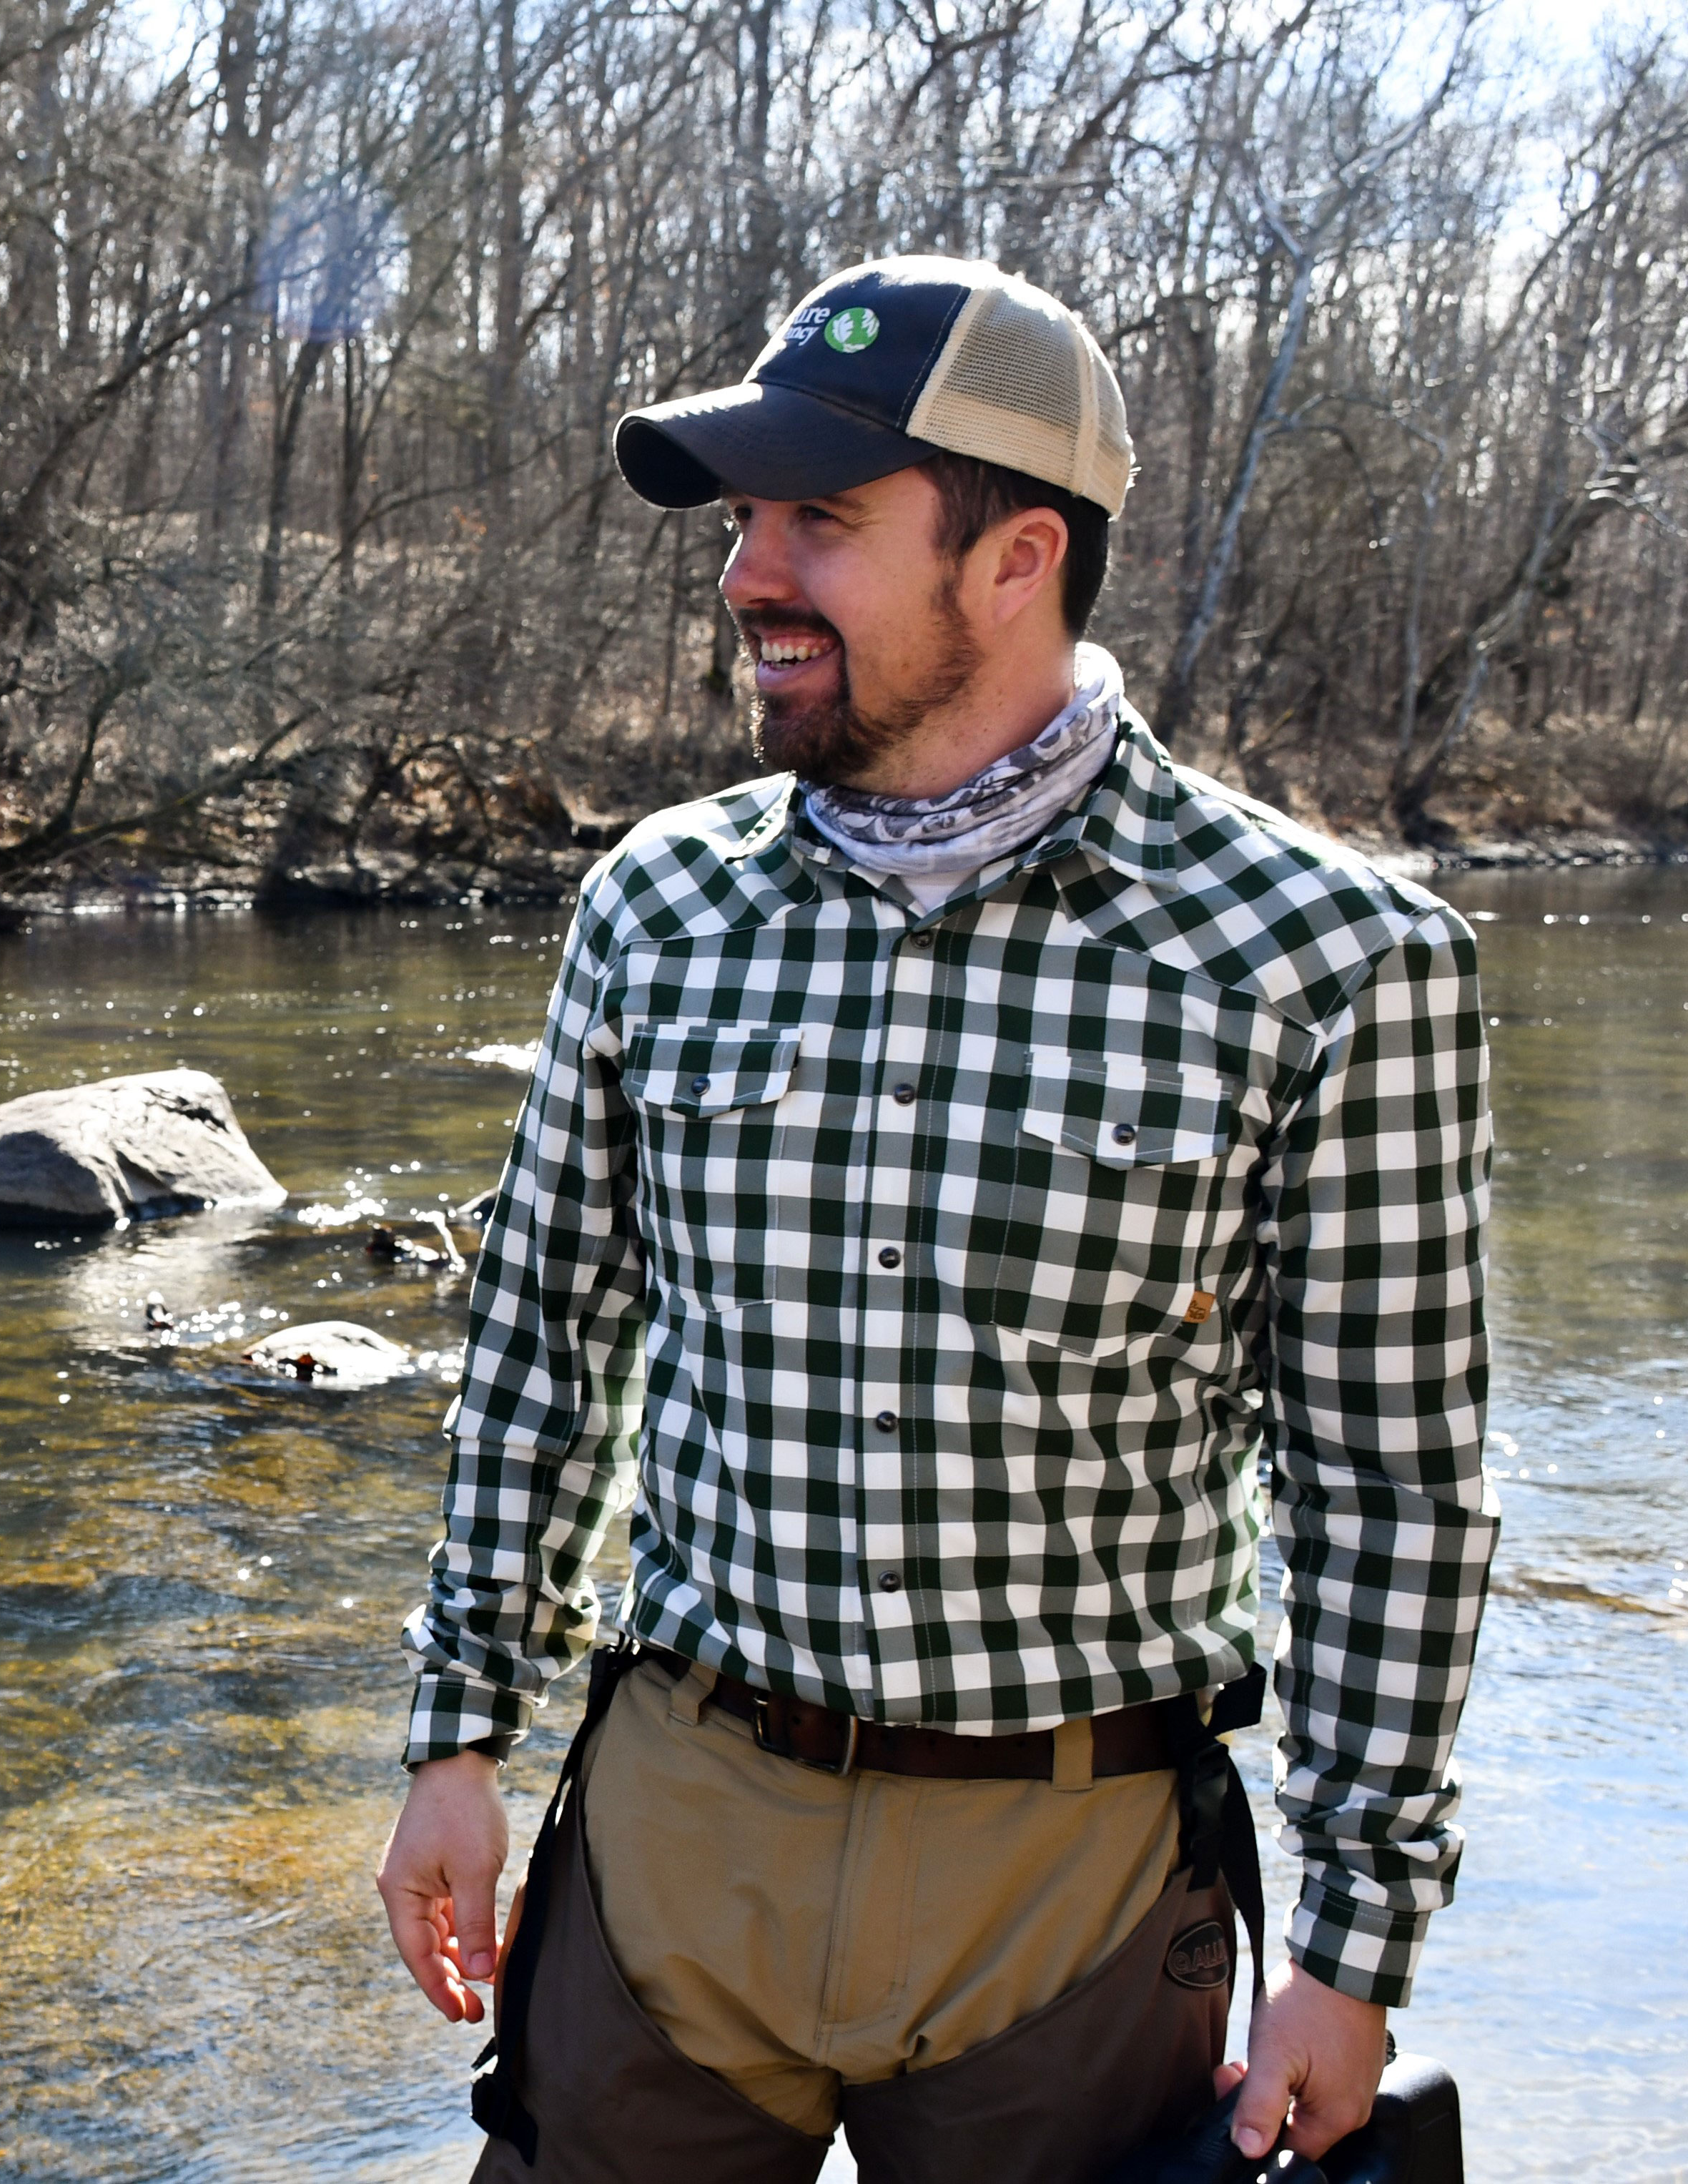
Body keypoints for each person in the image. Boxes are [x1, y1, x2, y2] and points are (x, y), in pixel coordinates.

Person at [377, 255, 1498, 2184]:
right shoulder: (658, 907)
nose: (749, 574)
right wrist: (457, 1738)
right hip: (672, 1850)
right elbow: (545, 1349)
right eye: (746, 520)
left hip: (1063, 1905)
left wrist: (1355, 1943)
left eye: (823, 519)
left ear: (1017, 556)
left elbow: (1391, 1495)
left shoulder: (1336, 962)